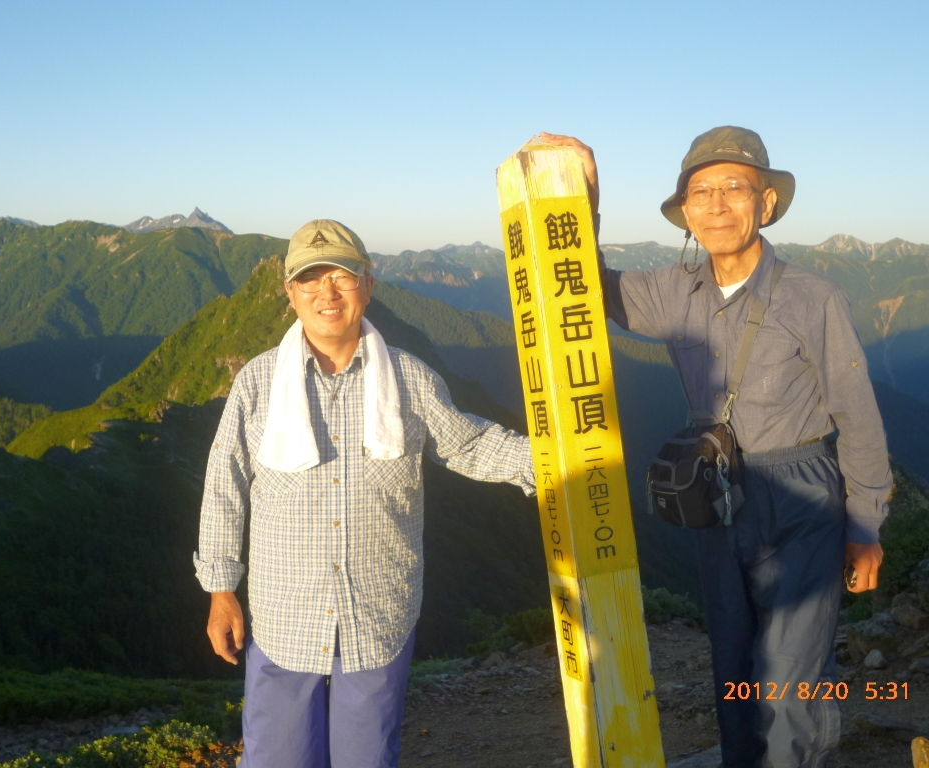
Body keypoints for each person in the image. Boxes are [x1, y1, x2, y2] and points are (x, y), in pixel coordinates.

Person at [542, 127, 891, 767]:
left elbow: (856, 412)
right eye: (701, 191)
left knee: (789, 675)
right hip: (716, 496)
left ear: (765, 205)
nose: (718, 203)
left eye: (736, 188)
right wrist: (581, 193)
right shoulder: (675, 293)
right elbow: (581, 280)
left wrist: (865, 524)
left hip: (801, 497)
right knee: (730, 661)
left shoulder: (813, 297)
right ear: (686, 214)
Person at [193, 219, 535, 768]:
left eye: (343, 276)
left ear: (368, 286)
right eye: (311, 279)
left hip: (376, 614)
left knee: (367, 760)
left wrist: (562, 459)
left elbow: (469, 446)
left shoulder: (409, 379)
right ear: (290, 293)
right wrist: (220, 589)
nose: (327, 293)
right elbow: (224, 483)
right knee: (278, 759)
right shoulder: (257, 383)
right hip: (285, 615)